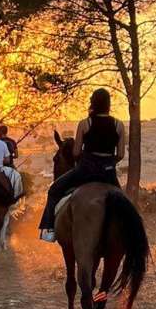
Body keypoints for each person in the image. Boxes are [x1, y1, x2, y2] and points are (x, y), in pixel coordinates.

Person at [37, 88, 127, 242]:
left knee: (54, 190)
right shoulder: (119, 125)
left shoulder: (85, 123)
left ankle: (49, 229)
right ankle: (127, 234)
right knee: (125, 205)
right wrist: (108, 162)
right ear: (108, 104)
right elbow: (120, 154)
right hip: (108, 173)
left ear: (93, 103)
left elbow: (76, 152)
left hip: (85, 170)